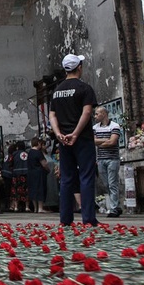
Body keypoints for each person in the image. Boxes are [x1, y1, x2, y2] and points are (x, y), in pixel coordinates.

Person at [49, 53, 98, 226]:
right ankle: (88, 218)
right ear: (79, 68)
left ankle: (65, 219)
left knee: (67, 178)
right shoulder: (84, 89)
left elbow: (52, 115)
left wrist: (58, 134)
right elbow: (86, 112)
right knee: (86, 177)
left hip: (63, 140)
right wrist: (76, 133)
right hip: (82, 138)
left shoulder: (56, 91)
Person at [93, 106, 122, 218]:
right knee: (106, 183)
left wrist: (100, 143)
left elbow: (113, 142)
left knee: (112, 183)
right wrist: (106, 140)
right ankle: (116, 205)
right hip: (101, 158)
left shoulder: (115, 126)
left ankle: (114, 208)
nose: (95, 116)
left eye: (97, 114)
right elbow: (93, 141)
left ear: (104, 114)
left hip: (112, 158)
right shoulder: (95, 127)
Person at [9, 141, 29, 212]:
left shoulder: (14, 154)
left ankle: (16, 207)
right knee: (26, 190)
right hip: (26, 174)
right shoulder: (27, 154)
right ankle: (27, 207)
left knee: (16, 191)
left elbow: (10, 163)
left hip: (16, 175)